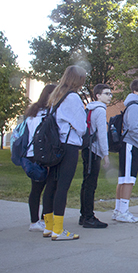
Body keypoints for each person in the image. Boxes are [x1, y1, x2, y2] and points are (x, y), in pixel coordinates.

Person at [42, 65, 87, 241]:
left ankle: (49, 226)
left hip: (55, 145)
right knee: (63, 186)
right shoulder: (73, 98)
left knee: (51, 185)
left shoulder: (56, 96)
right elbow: (81, 127)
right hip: (69, 145)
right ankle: (58, 230)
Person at [114, 78, 138, 223]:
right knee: (128, 179)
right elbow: (134, 128)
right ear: (135, 91)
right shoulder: (135, 106)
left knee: (124, 179)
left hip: (129, 145)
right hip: (130, 145)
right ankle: (123, 211)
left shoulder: (135, 105)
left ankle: (118, 210)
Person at [23, 84, 57, 233]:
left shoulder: (33, 111)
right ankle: (36, 221)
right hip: (40, 155)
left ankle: (40, 219)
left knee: (38, 189)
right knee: (40, 189)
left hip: (32, 154)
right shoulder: (45, 114)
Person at [79, 84, 111, 228]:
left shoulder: (89, 108)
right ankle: (89, 217)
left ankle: (83, 215)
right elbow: (102, 135)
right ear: (97, 95)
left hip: (86, 149)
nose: (109, 96)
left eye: (110, 93)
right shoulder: (100, 110)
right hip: (94, 151)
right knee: (91, 184)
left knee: (86, 182)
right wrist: (106, 155)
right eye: (106, 93)